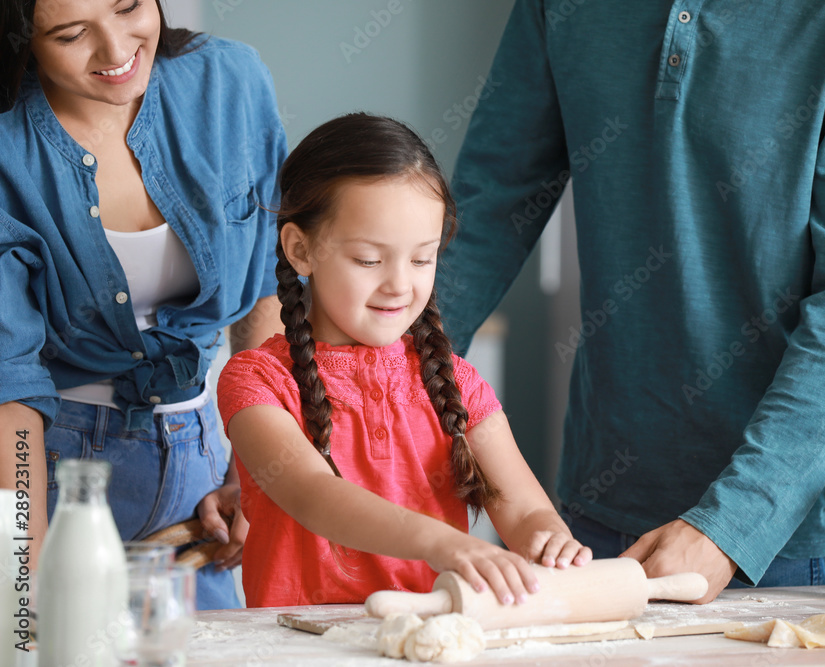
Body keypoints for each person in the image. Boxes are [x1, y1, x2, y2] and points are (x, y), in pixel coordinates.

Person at [436, 0, 825, 603]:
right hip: (592, 508)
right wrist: (372, 382)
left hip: (768, 543)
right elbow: (488, 205)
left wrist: (730, 526)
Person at [216, 113, 591, 608]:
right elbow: (312, 494)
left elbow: (521, 509)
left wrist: (548, 539)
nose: (399, 284)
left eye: (421, 259)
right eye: (369, 260)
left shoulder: (456, 383)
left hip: (435, 643)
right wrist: (441, 542)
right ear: (300, 249)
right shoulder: (258, 382)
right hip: (306, 648)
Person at [0, 0, 286, 609]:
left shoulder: (229, 81)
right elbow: (9, 382)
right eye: (71, 34)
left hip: (206, 455)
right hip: (57, 466)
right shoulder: (7, 145)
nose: (115, 49)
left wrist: (256, 463)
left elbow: (267, 282)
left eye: (128, 6)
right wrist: (25, 558)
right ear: (22, 40)